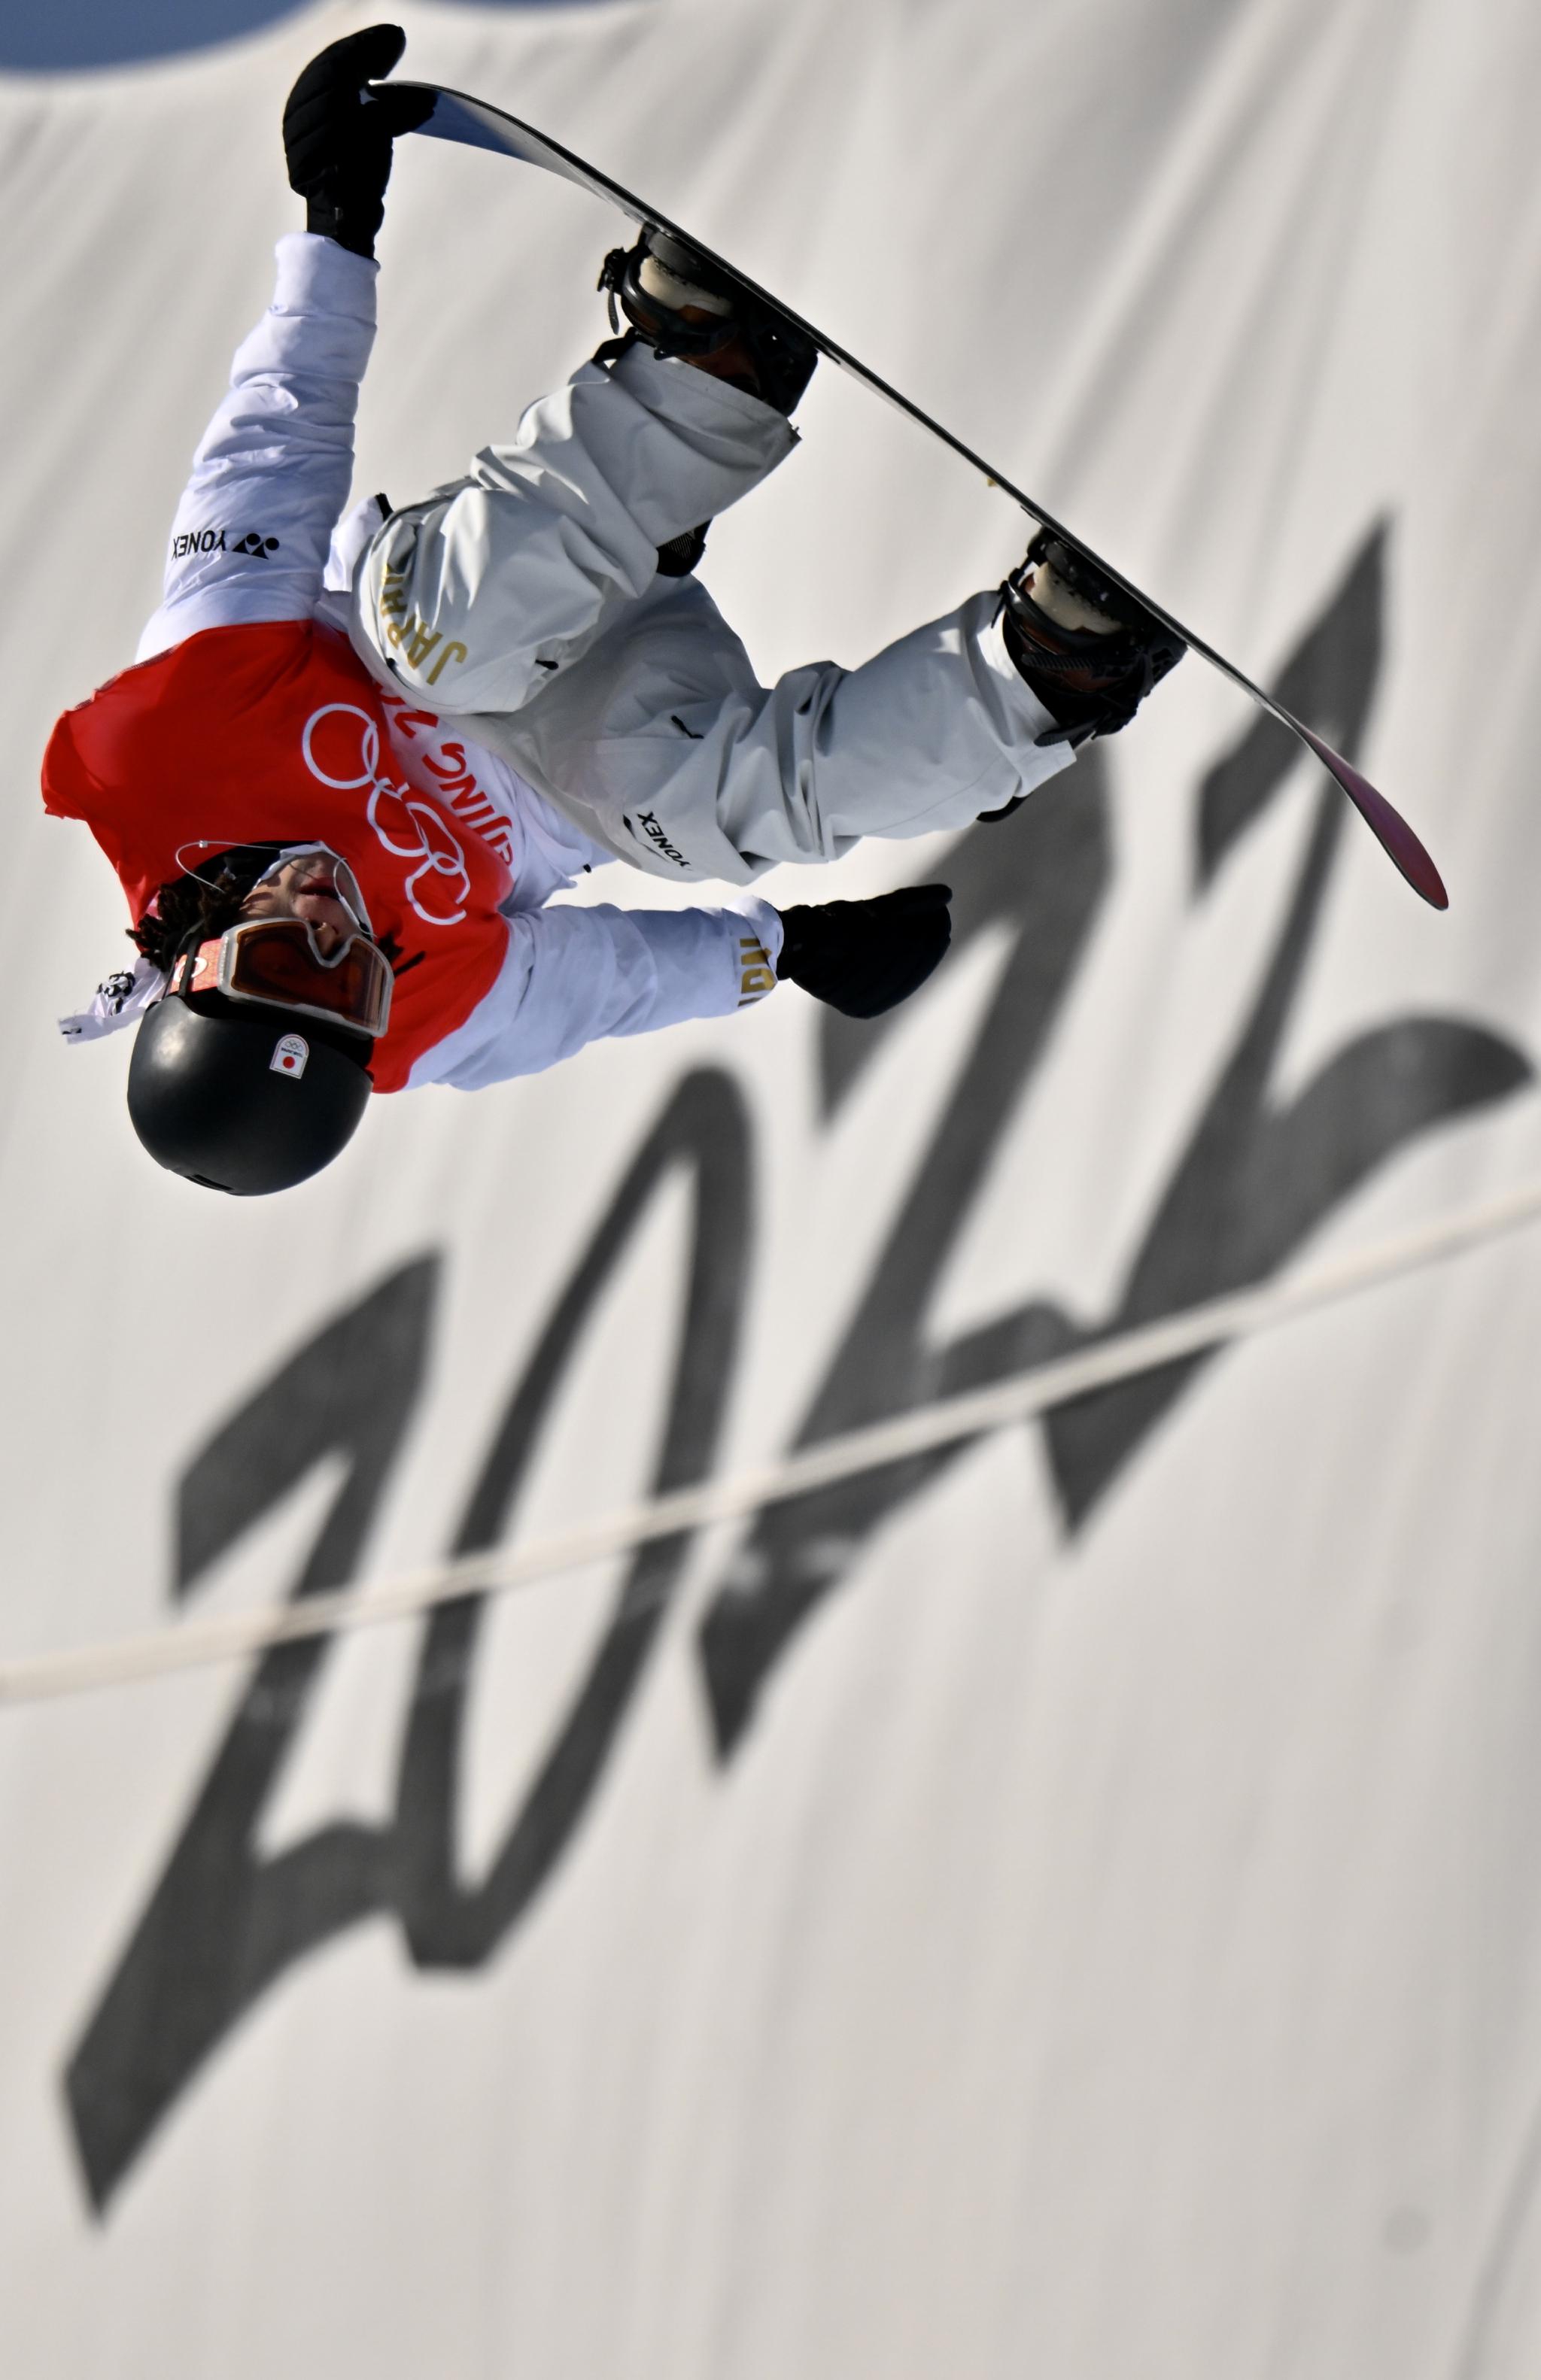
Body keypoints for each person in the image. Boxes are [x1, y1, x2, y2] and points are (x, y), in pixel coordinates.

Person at [43, 26, 1183, 1197]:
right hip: (582, 766)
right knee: (716, 821)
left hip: (444, 626)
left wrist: (335, 229)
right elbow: (612, 980)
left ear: (195, 962)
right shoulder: (437, 1021)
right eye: (352, 976)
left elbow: (272, 456)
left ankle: (695, 387)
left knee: (444, 643)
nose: (332, 924)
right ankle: (1054, 666)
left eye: (287, 950)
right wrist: (789, 952)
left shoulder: (163, 754)